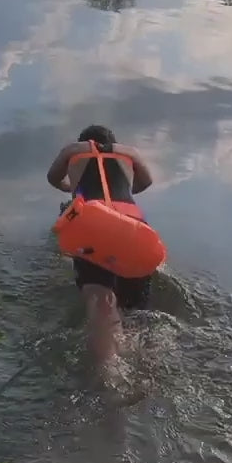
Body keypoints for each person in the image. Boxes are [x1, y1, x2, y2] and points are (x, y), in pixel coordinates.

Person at [47, 125, 157, 360]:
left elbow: (52, 178)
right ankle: (145, 365)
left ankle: (110, 377)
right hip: (134, 227)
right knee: (135, 312)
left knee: (102, 301)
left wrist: (71, 188)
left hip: (93, 225)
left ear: (85, 141)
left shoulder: (72, 150)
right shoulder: (130, 152)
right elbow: (145, 183)